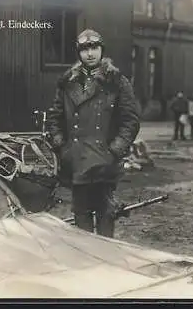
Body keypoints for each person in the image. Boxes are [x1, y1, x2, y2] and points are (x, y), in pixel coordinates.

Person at [46, 29, 140, 238]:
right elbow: (55, 117)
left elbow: (130, 121)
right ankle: (86, 262)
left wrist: (114, 150)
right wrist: (63, 147)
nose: (90, 54)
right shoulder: (67, 82)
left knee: (105, 213)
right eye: (84, 49)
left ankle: (105, 262)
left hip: (104, 160)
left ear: (101, 50)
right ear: (78, 53)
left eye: (94, 48)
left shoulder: (116, 81)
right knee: (81, 214)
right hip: (76, 158)